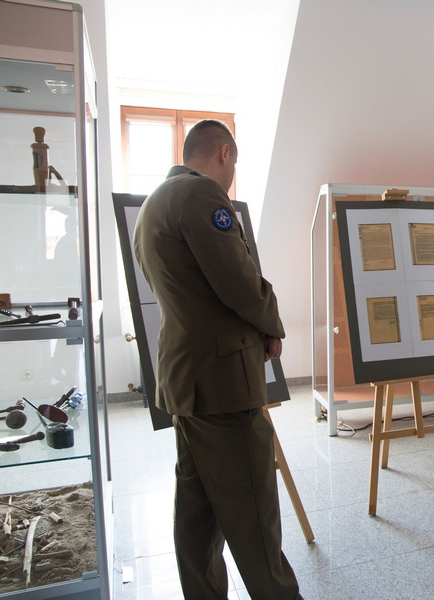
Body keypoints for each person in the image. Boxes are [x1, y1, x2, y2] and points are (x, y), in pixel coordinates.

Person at [133, 120, 302, 600]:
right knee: (256, 522)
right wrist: (272, 323)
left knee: (197, 515)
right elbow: (238, 281)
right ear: (224, 153)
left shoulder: (154, 203)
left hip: (188, 382)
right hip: (223, 384)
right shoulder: (202, 197)